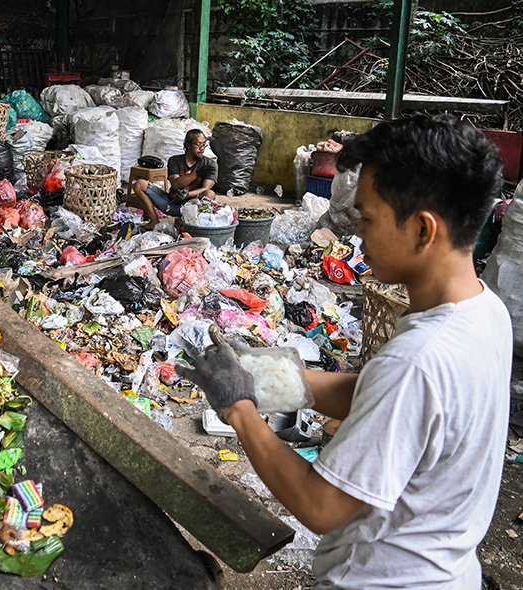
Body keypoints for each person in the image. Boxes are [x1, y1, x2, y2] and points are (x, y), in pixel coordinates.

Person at [177, 115, 510, 589]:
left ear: (422, 230)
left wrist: (240, 409)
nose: (356, 234)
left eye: (367, 218)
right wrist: (258, 372)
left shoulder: (418, 359)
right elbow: (378, 397)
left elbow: (322, 507)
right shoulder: (483, 310)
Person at [127, 129, 217, 230]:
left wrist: (188, 195)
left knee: (210, 194)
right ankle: (154, 221)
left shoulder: (210, 164)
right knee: (139, 184)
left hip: (193, 209)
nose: (202, 148)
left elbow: (205, 189)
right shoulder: (175, 160)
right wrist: (196, 174)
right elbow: (175, 185)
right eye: (198, 144)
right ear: (188, 145)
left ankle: (191, 223)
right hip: (172, 204)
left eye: (204, 144)